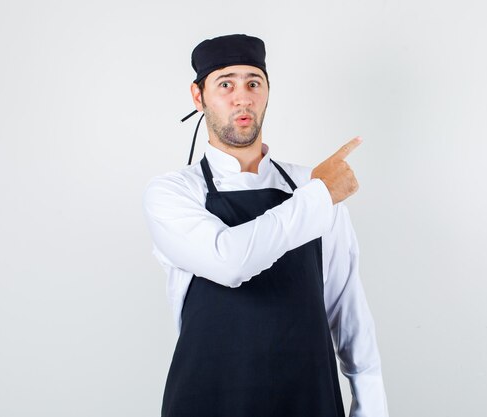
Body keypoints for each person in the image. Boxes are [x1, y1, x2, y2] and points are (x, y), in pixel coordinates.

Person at [142, 34, 388, 417]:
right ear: (198, 96)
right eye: (226, 84)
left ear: (267, 92)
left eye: (253, 83)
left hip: (309, 400)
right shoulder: (173, 192)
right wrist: (319, 196)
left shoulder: (313, 186)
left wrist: (371, 410)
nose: (242, 98)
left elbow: (349, 313)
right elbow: (230, 262)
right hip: (209, 400)